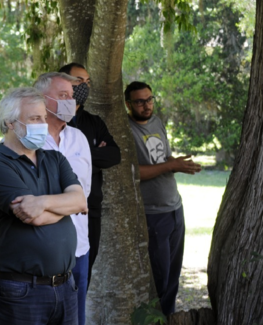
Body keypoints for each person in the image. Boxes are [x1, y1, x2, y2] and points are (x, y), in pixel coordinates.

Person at [0, 87, 88, 325]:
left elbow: (80, 200)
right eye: (34, 119)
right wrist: (65, 206)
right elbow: (32, 217)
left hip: (65, 286)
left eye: (44, 118)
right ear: (10, 122)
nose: (43, 125)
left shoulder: (55, 159)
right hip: (20, 291)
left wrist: (42, 202)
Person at [125, 81, 202, 315]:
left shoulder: (157, 122)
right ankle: (153, 319)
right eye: (140, 102)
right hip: (152, 214)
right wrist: (171, 165)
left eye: (150, 99)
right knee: (158, 277)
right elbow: (132, 173)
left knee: (173, 276)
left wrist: (175, 164)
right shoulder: (126, 130)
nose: (146, 106)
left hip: (174, 207)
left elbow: (162, 159)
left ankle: (166, 318)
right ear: (128, 104)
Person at [34, 72, 93, 325]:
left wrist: (53, 203)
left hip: (79, 247)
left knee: (75, 319)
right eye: (63, 96)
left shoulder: (78, 138)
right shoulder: (30, 141)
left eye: (71, 95)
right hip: (42, 251)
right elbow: (29, 200)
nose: (71, 101)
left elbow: (84, 194)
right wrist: (69, 203)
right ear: (42, 100)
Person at [59, 63, 121, 287]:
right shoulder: (50, 121)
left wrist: (79, 155)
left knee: (83, 276)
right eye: (78, 81)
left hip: (89, 210)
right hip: (57, 209)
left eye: (87, 81)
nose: (84, 86)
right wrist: (92, 155)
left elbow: (114, 155)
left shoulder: (93, 122)